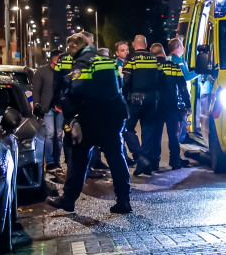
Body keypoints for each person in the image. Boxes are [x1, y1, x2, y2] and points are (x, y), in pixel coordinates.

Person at [46, 32, 131, 214]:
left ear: (76, 46)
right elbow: (118, 85)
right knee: (116, 158)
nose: (69, 51)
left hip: (91, 118)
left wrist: (69, 114)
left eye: (70, 47)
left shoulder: (83, 62)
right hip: (114, 116)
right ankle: (124, 200)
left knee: (78, 159)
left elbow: (77, 90)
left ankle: (68, 200)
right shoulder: (106, 60)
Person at [122, 34, 162, 175]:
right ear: (146, 44)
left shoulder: (131, 59)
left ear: (134, 45)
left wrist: (125, 97)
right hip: (152, 99)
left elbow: (126, 81)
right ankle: (145, 163)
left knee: (127, 128)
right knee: (148, 131)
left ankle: (140, 157)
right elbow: (160, 78)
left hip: (135, 99)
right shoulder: (153, 58)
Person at [150, 43, 191, 169]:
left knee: (156, 134)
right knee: (173, 134)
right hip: (171, 104)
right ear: (163, 53)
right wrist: (188, 105)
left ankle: (154, 163)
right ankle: (175, 161)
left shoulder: (151, 68)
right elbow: (183, 88)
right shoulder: (173, 66)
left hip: (156, 106)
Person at [32, 51, 64, 169]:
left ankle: (57, 160)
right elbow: (36, 90)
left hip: (60, 107)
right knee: (50, 133)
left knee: (59, 135)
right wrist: (37, 105)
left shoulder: (63, 71)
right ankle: (49, 161)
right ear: (54, 59)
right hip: (47, 108)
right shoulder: (42, 71)